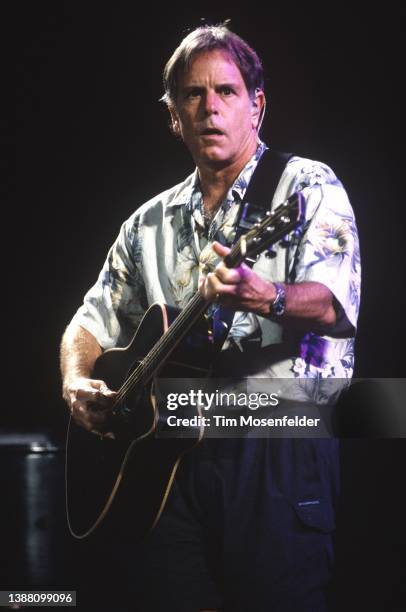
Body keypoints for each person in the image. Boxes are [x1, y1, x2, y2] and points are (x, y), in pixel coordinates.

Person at [60, 23, 361, 612]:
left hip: (277, 452)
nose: (210, 108)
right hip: (165, 464)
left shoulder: (306, 186)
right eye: (192, 95)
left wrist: (265, 295)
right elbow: (88, 321)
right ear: (174, 116)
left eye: (226, 91)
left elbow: (331, 303)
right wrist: (75, 380)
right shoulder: (147, 222)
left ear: (258, 105)